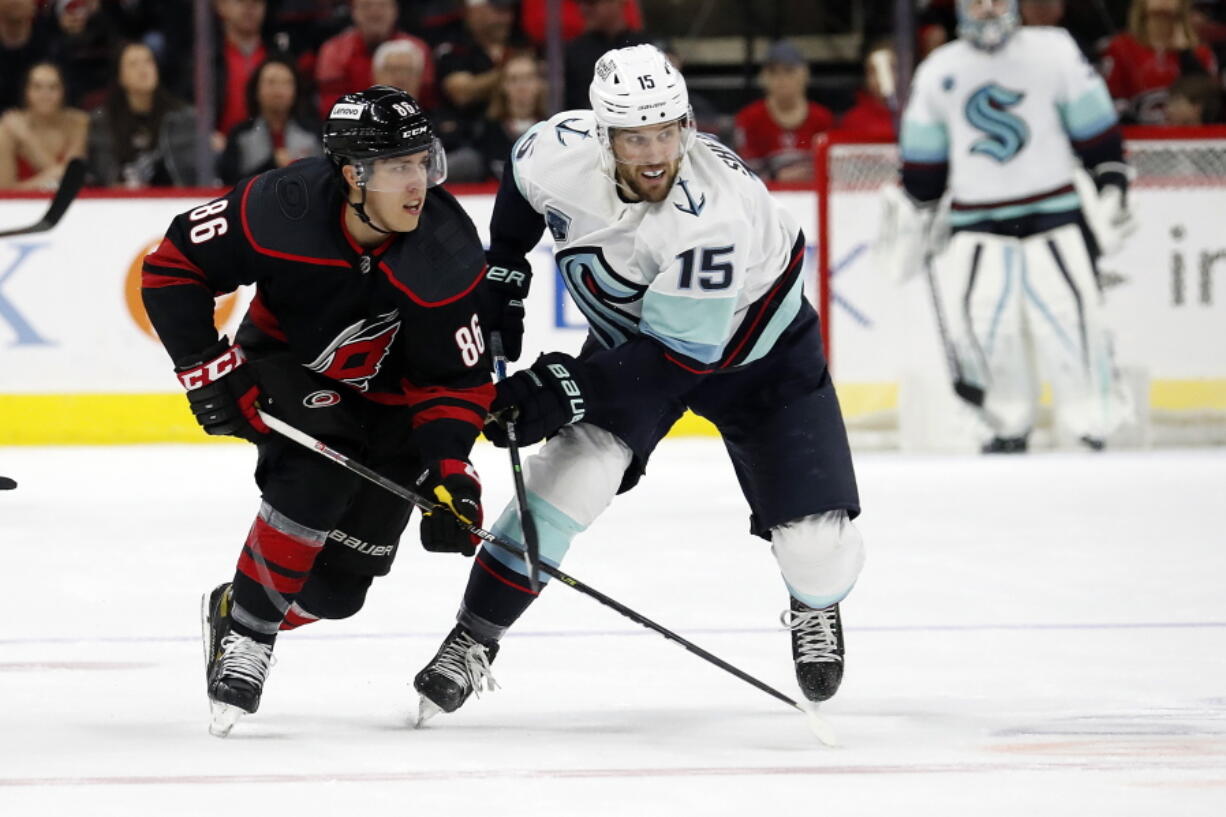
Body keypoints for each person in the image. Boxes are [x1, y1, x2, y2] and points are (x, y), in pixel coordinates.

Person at [412, 44, 864, 722]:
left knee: (817, 549)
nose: (654, 153)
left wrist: (564, 387)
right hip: (642, 342)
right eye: (633, 136)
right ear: (601, 134)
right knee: (563, 483)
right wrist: (505, 264)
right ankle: (472, 637)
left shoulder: (711, 216)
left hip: (763, 364)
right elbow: (521, 174)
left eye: (665, 131)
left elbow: (680, 359)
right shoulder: (558, 149)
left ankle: (815, 601)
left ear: (686, 125)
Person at [140, 85, 494, 737]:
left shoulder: (446, 246)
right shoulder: (282, 205)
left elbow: (457, 378)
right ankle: (250, 634)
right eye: (398, 167)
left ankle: (235, 603)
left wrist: (450, 469)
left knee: (339, 592)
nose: (419, 184)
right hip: (287, 368)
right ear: (353, 174)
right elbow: (172, 267)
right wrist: (207, 369)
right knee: (322, 462)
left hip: (390, 409)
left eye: (423, 162)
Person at [898, 0, 1135, 452]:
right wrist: (918, 200)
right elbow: (923, 168)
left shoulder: (1054, 51)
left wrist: (1110, 177)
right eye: (976, 1)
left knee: (1075, 325)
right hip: (976, 227)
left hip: (1055, 220)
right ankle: (1001, 428)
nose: (987, 9)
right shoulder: (938, 70)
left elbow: (1096, 130)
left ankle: (1093, 422)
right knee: (987, 331)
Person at [86, 41, 198, 187]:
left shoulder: (183, 118)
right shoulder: (102, 121)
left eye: (148, 61)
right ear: (120, 76)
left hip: (173, 200)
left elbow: (192, 172)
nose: (143, 69)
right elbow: (101, 174)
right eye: (133, 64)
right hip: (117, 203)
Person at [1100, 0, 1218, 124]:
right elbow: (1110, 100)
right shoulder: (1120, 48)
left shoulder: (1200, 53)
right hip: (1136, 136)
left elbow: (1208, 100)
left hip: (1187, 137)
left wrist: (1186, 53)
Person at [733, 40, 834, 182]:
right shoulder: (749, 118)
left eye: (789, 71)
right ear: (764, 78)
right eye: (773, 72)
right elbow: (742, 171)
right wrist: (775, 177)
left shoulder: (822, 118)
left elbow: (832, 168)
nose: (782, 79)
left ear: (805, 74)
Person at [315, 0, 435, 118]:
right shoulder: (334, 50)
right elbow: (331, 106)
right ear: (353, 11)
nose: (375, 13)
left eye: (383, 5)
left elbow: (427, 101)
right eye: (366, 6)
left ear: (395, 10)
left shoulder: (418, 49)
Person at [217, 56, 322, 185]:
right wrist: (271, 164)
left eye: (286, 83)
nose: (278, 91)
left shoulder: (312, 133)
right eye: (271, 82)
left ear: (296, 90)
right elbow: (230, 185)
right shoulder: (240, 135)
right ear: (256, 89)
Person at [0, 62, 89, 190]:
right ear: (26, 91)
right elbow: (5, 192)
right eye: (37, 87)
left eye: (53, 87)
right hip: (21, 208)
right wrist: (47, 181)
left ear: (63, 91)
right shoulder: (8, 128)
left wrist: (27, 137)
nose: (45, 95)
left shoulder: (79, 122)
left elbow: (69, 178)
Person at [471, 49, 546, 180]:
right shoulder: (486, 132)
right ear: (503, 85)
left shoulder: (551, 130)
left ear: (538, 83)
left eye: (528, 78)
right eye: (514, 79)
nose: (521, 86)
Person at [562, 0, 650, 111]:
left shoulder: (644, 48)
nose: (584, 9)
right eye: (580, 3)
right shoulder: (573, 51)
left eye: (592, 3)